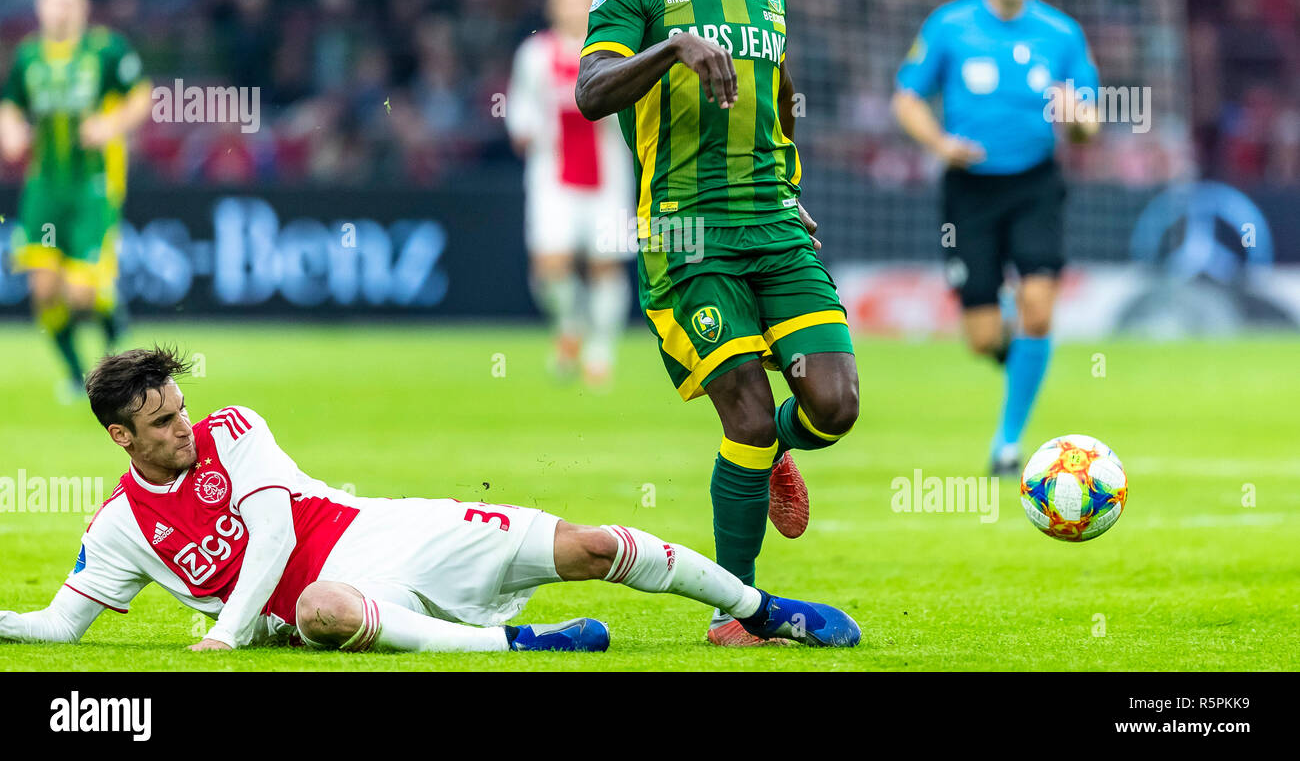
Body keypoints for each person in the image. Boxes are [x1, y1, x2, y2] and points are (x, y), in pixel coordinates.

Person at [0, 346, 860, 653]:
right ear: (122, 438)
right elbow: (59, 626)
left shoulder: (232, 427)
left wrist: (227, 633)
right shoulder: (118, 527)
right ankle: (522, 645)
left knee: (592, 548)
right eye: (161, 424)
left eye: (180, 410)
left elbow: (268, 537)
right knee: (324, 609)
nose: (182, 430)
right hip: (330, 598)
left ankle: (762, 607)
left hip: (387, 532)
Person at [575, 0, 859, 646]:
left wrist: (792, 184)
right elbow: (592, 92)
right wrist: (672, 47)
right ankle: (739, 613)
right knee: (748, 415)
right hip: (688, 238)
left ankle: (775, 459)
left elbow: (780, 85)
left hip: (772, 226)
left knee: (834, 407)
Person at [891, 0, 1100, 475]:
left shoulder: (1062, 34)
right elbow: (907, 98)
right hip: (969, 189)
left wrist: (1076, 118)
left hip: (1035, 184)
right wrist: (940, 143)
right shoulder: (950, 25)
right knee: (983, 339)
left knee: (1038, 308)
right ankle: (1026, 353)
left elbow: (1089, 123)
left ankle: (1008, 445)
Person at [0, 0, 151, 398]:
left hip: (93, 186)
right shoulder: (30, 56)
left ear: (85, 7)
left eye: (71, 0)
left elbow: (142, 97)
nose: (62, 8)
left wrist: (109, 125)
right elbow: (10, 103)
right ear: (40, 7)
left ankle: (113, 331)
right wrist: (10, 130)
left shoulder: (105, 51)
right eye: (54, 0)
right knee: (44, 289)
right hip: (44, 188)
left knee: (81, 293)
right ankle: (75, 375)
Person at [506, 0, 633, 387]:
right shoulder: (535, 56)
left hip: (608, 180)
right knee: (550, 268)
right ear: (552, 4)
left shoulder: (618, 51)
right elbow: (521, 117)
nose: (575, 5)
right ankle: (571, 326)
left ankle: (600, 353)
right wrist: (526, 131)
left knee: (604, 267)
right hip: (552, 180)